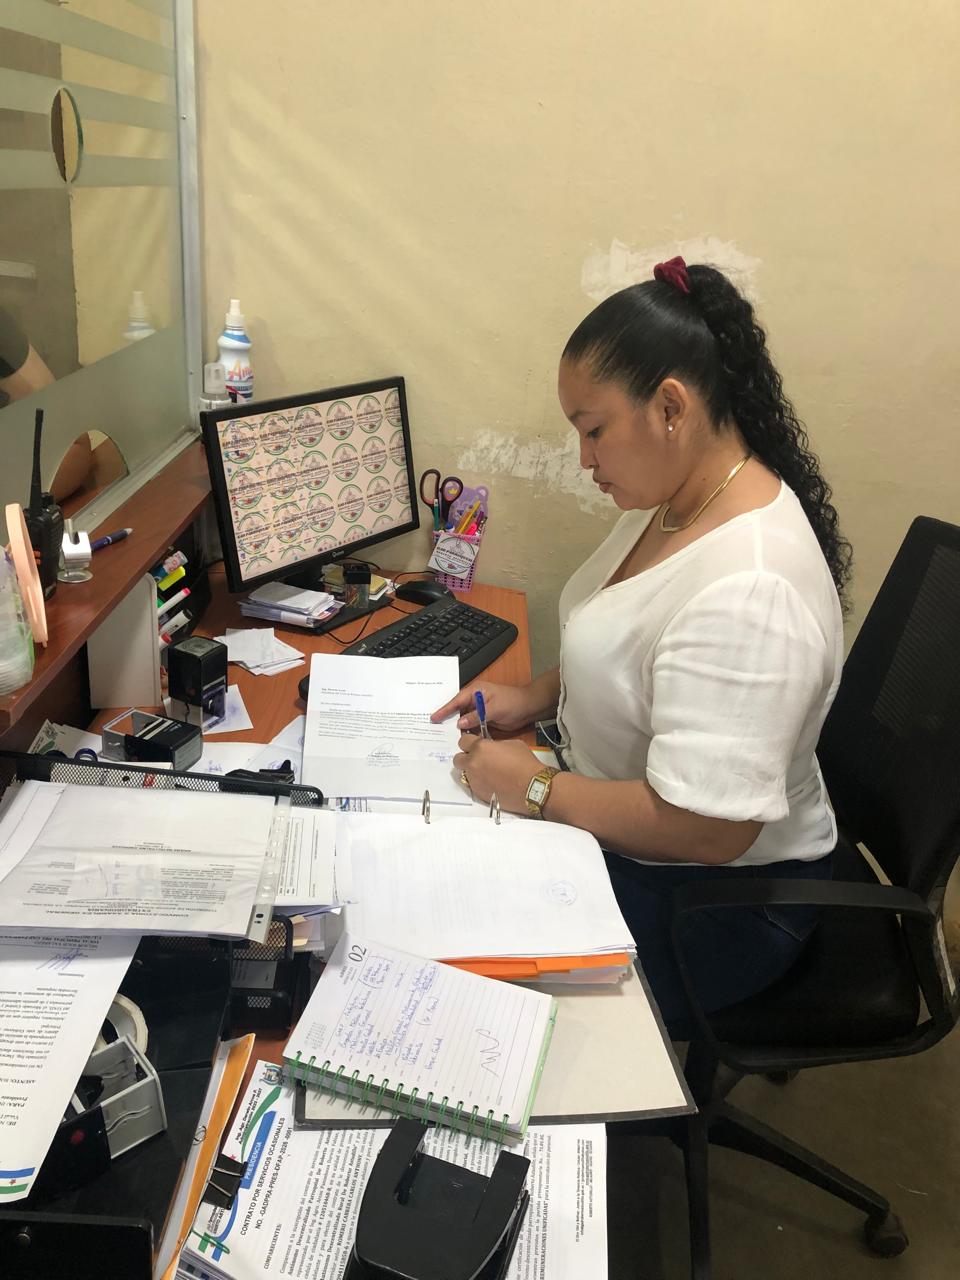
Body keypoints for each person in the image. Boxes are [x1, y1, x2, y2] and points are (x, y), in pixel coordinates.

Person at [433, 257, 852, 1023]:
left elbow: (708, 829)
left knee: (456, 965)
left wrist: (535, 789)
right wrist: (532, 696)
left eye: (593, 431)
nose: (585, 460)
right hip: (634, 831)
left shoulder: (752, 591)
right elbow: (625, 634)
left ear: (670, 407)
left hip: (715, 902)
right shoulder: (678, 499)